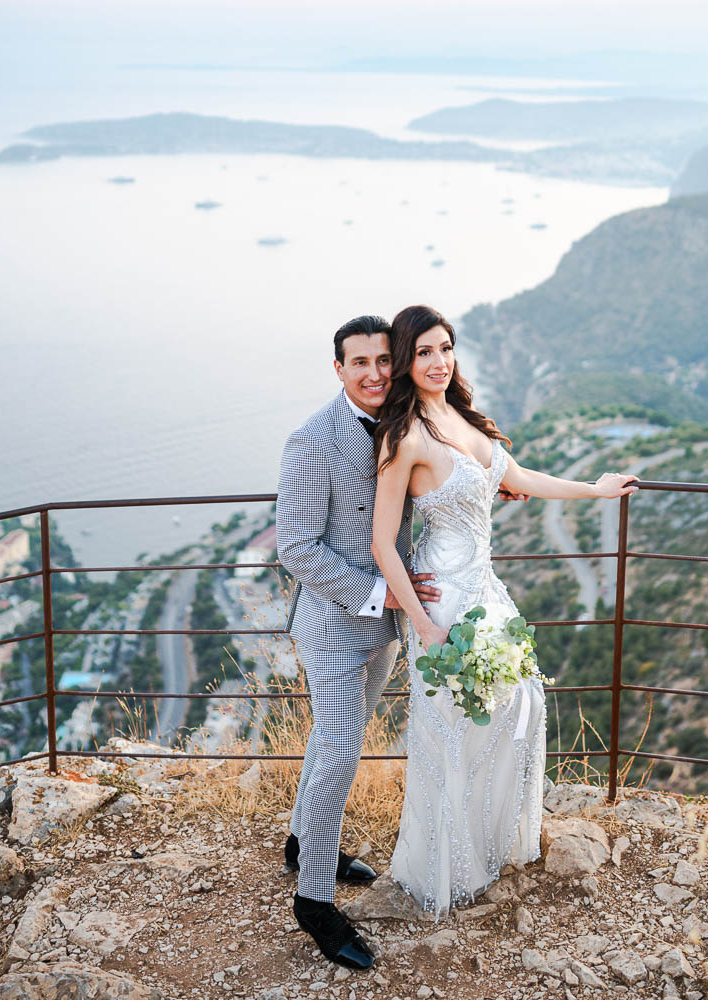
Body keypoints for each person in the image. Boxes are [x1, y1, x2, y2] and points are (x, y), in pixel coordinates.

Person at [370, 304, 638, 917]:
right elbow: (384, 542)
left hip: (487, 592)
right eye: (423, 354)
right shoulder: (402, 437)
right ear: (406, 364)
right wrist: (423, 623)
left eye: (445, 348)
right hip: (441, 601)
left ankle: (489, 847)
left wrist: (593, 490)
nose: (438, 363)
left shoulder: (463, 418)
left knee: (518, 705)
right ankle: (445, 867)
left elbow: (520, 474)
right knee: (455, 733)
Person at [275, 315, 441, 971]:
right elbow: (296, 548)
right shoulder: (311, 441)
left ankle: (299, 841)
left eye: (382, 361)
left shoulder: (406, 423)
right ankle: (314, 901)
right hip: (336, 626)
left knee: (329, 739)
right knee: (343, 752)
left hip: (388, 629)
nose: (373, 374)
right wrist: (380, 594)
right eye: (359, 363)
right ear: (338, 368)